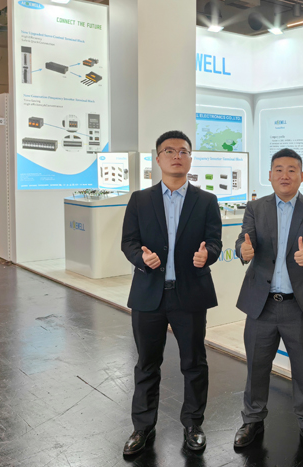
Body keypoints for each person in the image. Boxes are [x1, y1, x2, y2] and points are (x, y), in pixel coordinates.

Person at [120, 130, 222, 455]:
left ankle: (193, 424)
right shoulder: (140, 199)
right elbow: (129, 242)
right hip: (149, 294)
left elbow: (215, 242)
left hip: (189, 294)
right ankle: (142, 428)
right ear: (158, 158)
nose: (177, 156)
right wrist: (141, 259)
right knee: (147, 364)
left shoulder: (206, 201)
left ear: (190, 158)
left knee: (194, 363)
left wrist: (208, 255)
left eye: (183, 151)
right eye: (169, 151)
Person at [233, 148, 303, 452]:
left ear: (301, 175)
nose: (285, 175)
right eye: (279, 169)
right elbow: (244, 238)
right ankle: (252, 420)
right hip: (261, 304)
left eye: (291, 170)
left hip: (297, 305)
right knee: (257, 366)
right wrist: (242, 249)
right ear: (270, 175)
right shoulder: (255, 207)